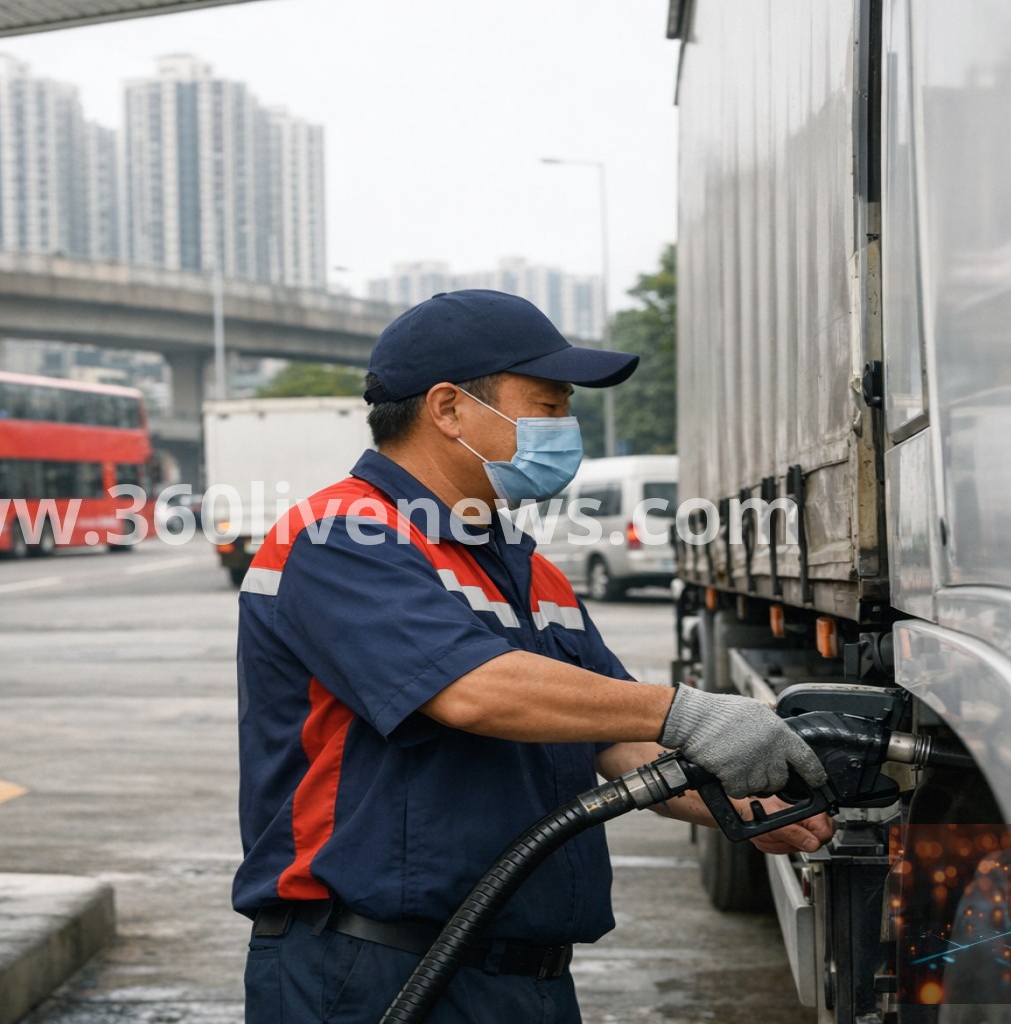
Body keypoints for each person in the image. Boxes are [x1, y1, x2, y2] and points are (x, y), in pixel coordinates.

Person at [233, 290, 833, 1023]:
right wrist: (689, 711)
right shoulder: (342, 535)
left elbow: (613, 735)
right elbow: (472, 691)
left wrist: (755, 804)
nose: (564, 428)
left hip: (520, 973)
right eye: (547, 408)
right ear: (449, 409)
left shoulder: (524, 567)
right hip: (374, 971)